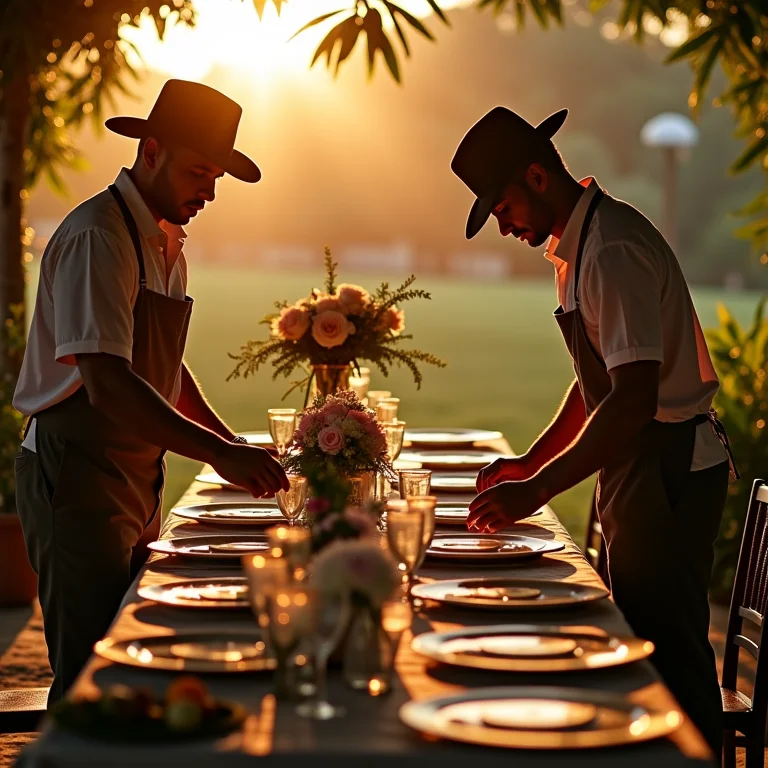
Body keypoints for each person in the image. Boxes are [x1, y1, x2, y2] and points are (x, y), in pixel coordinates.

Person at [451, 105, 736, 757]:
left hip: (666, 465)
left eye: (502, 207)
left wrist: (537, 491)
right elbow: (597, 389)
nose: (503, 225)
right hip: (639, 461)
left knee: (667, 655)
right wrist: (529, 463)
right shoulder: (580, 247)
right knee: (635, 639)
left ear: (537, 176)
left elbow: (632, 400)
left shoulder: (610, 248)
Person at [13, 79, 289, 704]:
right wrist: (221, 457)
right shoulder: (99, 237)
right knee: (92, 676)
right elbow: (109, 383)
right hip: (77, 473)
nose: (209, 192)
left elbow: (163, 370)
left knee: (142, 652)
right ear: (152, 150)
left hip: (138, 472)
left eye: (216, 177)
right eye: (199, 172)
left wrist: (227, 442)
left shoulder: (166, 242)